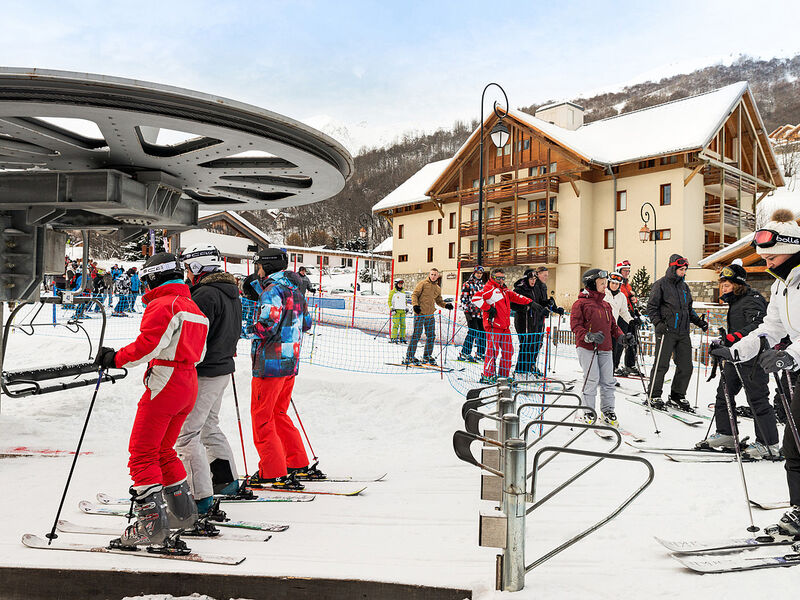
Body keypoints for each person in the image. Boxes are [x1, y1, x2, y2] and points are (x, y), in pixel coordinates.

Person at [94, 252, 210, 548]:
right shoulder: (193, 306)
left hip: (167, 381)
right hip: (188, 380)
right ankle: (183, 514)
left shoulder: (164, 304)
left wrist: (115, 358)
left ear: (155, 276)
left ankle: (152, 526)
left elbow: (149, 345)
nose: (145, 287)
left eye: (147, 280)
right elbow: (201, 353)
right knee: (163, 450)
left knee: (142, 453)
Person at [711, 209, 800, 533]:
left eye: (771, 256)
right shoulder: (781, 286)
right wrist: (736, 350)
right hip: (797, 369)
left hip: (796, 361)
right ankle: (799, 512)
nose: (766, 262)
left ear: (789, 250)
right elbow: (770, 328)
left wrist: (789, 355)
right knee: (794, 446)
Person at [175, 244, 245, 516]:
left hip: (206, 370)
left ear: (197, 267)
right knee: (208, 426)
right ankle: (226, 481)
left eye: (188, 268)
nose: (187, 275)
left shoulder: (204, 295)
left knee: (187, 434)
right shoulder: (229, 291)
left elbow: (197, 336)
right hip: (222, 368)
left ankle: (199, 496)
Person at [245, 248, 322, 490]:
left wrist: (245, 328)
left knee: (262, 417)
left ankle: (272, 471)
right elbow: (307, 323)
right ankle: (296, 462)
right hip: (290, 362)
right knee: (278, 414)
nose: (257, 271)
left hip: (270, 364)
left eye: (258, 266)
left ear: (266, 267)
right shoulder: (295, 290)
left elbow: (267, 325)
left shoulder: (272, 291)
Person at [697, 260, 778, 458]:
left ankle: (768, 444)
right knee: (723, 394)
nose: (722, 289)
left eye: (727, 285)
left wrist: (734, 337)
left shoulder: (752, 299)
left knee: (757, 399)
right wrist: (726, 341)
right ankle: (726, 434)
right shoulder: (737, 302)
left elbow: (759, 326)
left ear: (738, 284)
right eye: (721, 285)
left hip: (753, 357)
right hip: (736, 356)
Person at [646, 254, 709, 411]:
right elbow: (652, 307)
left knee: (686, 366)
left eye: (685, 269)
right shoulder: (660, 285)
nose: (684, 272)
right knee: (661, 364)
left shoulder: (684, 287)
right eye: (681, 269)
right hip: (666, 330)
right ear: (673, 268)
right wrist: (658, 323)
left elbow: (688, 309)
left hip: (683, 332)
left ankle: (677, 396)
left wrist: (698, 321)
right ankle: (654, 395)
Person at [571, 269, 629, 426]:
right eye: (602, 283)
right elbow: (575, 325)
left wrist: (621, 336)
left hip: (605, 347)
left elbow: (613, 326)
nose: (605, 286)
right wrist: (588, 336)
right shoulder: (580, 303)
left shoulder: (606, 305)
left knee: (608, 380)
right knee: (592, 378)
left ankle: (608, 410)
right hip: (586, 347)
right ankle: (588, 409)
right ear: (591, 284)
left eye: (605, 283)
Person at [472, 268, 532, 384]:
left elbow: (516, 296)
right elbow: (475, 298)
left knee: (508, 351)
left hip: (504, 326)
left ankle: (503, 375)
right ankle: (488, 375)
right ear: (493, 278)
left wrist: (530, 302)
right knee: (493, 351)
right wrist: (488, 308)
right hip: (493, 325)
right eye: (498, 278)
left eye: (503, 278)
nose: (501, 280)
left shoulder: (504, 290)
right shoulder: (489, 288)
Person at [403, 268, 453, 366]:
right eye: (432, 274)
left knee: (431, 336)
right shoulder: (423, 284)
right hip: (420, 314)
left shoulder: (438, 288)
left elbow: (439, 301)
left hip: (430, 315)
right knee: (416, 335)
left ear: (438, 276)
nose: (433, 276)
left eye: (435, 275)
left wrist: (446, 305)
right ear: (429, 274)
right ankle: (409, 356)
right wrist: (415, 305)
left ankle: (427, 356)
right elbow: (414, 295)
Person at [512, 267, 554, 376]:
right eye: (531, 279)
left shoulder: (535, 288)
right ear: (526, 279)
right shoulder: (520, 289)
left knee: (534, 344)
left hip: (534, 320)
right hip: (523, 320)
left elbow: (539, 302)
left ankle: (529, 366)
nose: (533, 281)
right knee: (525, 344)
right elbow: (513, 305)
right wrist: (527, 308)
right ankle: (520, 370)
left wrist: (548, 303)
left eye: (535, 279)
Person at [614, 260, 644, 376]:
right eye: (624, 270)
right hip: (621, 316)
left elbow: (628, 299)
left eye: (628, 271)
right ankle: (614, 365)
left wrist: (633, 302)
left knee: (633, 339)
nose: (627, 273)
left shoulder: (627, 285)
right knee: (621, 340)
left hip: (629, 314)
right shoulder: (617, 284)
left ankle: (630, 364)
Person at [605, 271, 633, 383]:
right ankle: (597, 376)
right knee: (602, 354)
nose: (614, 285)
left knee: (612, 353)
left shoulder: (621, 296)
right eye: (612, 283)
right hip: (602, 328)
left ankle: (609, 377)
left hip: (613, 328)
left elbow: (623, 312)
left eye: (617, 284)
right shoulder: (603, 293)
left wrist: (631, 321)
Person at [457, 266, 487, 362]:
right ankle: (465, 353)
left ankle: (480, 353)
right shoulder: (467, 284)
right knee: (472, 332)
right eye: (477, 273)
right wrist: (466, 311)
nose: (479, 274)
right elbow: (463, 299)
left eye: (481, 273)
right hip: (471, 312)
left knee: (483, 332)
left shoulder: (482, 285)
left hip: (481, 313)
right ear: (474, 273)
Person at [387, 279, 408, 343]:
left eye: (401, 284)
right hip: (396, 311)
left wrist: (406, 307)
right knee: (396, 324)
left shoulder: (403, 292)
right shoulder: (393, 292)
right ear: (396, 284)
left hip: (402, 310)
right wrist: (392, 308)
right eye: (399, 284)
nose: (400, 285)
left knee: (403, 325)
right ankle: (393, 337)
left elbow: (405, 301)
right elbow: (389, 301)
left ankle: (402, 337)